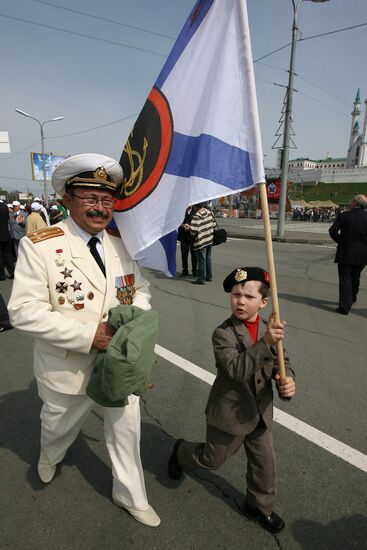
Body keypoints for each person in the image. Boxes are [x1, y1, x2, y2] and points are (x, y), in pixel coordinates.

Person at [8, 153, 160, 528]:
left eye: (107, 199)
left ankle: (131, 494)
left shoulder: (122, 244)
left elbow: (140, 289)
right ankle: (50, 453)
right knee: (59, 426)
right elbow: (23, 310)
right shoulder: (41, 245)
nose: (100, 207)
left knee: (127, 430)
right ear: (68, 200)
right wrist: (89, 335)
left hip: (118, 364)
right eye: (90, 198)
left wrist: (131, 317)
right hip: (67, 364)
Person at [168, 267, 296, 534]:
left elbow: (282, 362)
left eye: (248, 296)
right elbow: (235, 370)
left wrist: (286, 380)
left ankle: (260, 506)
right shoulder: (223, 333)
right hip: (230, 414)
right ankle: (181, 452)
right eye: (236, 294)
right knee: (212, 459)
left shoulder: (267, 327)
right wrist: (266, 342)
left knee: (265, 464)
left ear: (262, 302)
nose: (240, 301)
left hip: (260, 411)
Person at [329, 194, 367, 315]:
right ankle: (352, 298)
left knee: (345, 279)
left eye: (351, 201)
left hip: (346, 252)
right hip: (363, 254)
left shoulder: (344, 215)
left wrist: (341, 240)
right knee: (355, 277)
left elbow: (332, 231)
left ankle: (345, 307)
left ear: (355, 203)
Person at [189, 203, 215, 284]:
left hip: (201, 241)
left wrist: (189, 227)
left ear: (196, 207)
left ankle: (201, 278)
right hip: (209, 239)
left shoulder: (196, 216)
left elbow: (194, 231)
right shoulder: (209, 212)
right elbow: (213, 224)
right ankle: (209, 276)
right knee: (208, 259)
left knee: (201, 261)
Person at [177, 206, 197, 277]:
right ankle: (185, 270)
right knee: (184, 254)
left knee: (194, 254)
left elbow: (198, 223)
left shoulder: (195, 211)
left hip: (192, 236)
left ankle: (194, 271)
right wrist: (183, 225)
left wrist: (190, 226)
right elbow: (177, 221)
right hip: (183, 236)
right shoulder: (182, 211)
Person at [0, 200, 15, 280]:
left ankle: (1, 276)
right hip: (6, 234)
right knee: (8, 255)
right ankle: (13, 273)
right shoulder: (4, 206)